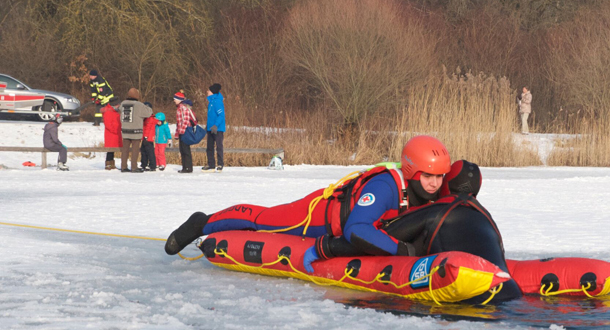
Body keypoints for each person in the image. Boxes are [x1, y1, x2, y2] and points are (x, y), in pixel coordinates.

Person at [165, 135, 453, 267]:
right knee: (263, 220)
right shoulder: (386, 187)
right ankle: (203, 221)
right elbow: (357, 229)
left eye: (440, 177)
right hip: (316, 216)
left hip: (339, 219)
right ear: (413, 171)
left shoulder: (429, 192)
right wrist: (401, 251)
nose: (435, 184)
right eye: (429, 176)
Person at [118, 88, 152, 172]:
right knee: (135, 150)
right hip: (135, 131)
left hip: (125, 130)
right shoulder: (139, 105)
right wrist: (147, 107)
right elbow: (148, 113)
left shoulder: (122, 104)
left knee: (125, 150)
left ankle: (123, 166)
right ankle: (134, 167)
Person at [173, 91, 198, 173]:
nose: (174, 100)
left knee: (185, 150)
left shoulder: (183, 107)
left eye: (175, 99)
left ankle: (188, 168)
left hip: (185, 131)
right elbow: (178, 122)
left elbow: (186, 120)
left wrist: (182, 131)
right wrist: (177, 133)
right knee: (182, 150)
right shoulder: (179, 107)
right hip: (182, 132)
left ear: (179, 99)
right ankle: (185, 167)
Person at [203, 83, 225, 172]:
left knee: (219, 146)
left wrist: (216, 125)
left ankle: (220, 164)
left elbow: (221, 115)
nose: (207, 91)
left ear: (212, 92)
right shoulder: (211, 102)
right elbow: (211, 116)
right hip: (210, 128)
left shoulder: (218, 102)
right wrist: (207, 126)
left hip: (217, 129)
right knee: (209, 147)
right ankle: (211, 164)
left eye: (208, 90)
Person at [102, 103, 122, 170]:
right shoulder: (108, 112)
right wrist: (115, 130)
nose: (118, 106)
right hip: (111, 134)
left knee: (112, 150)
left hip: (115, 133)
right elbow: (108, 124)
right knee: (110, 150)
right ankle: (108, 164)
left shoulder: (114, 112)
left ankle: (111, 164)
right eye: (118, 105)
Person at [139, 103, 158, 171]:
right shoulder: (146, 118)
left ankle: (152, 165)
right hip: (146, 137)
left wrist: (145, 137)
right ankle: (144, 164)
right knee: (143, 151)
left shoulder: (150, 119)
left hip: (148, 138)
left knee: (150, 152)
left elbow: (148, 128)